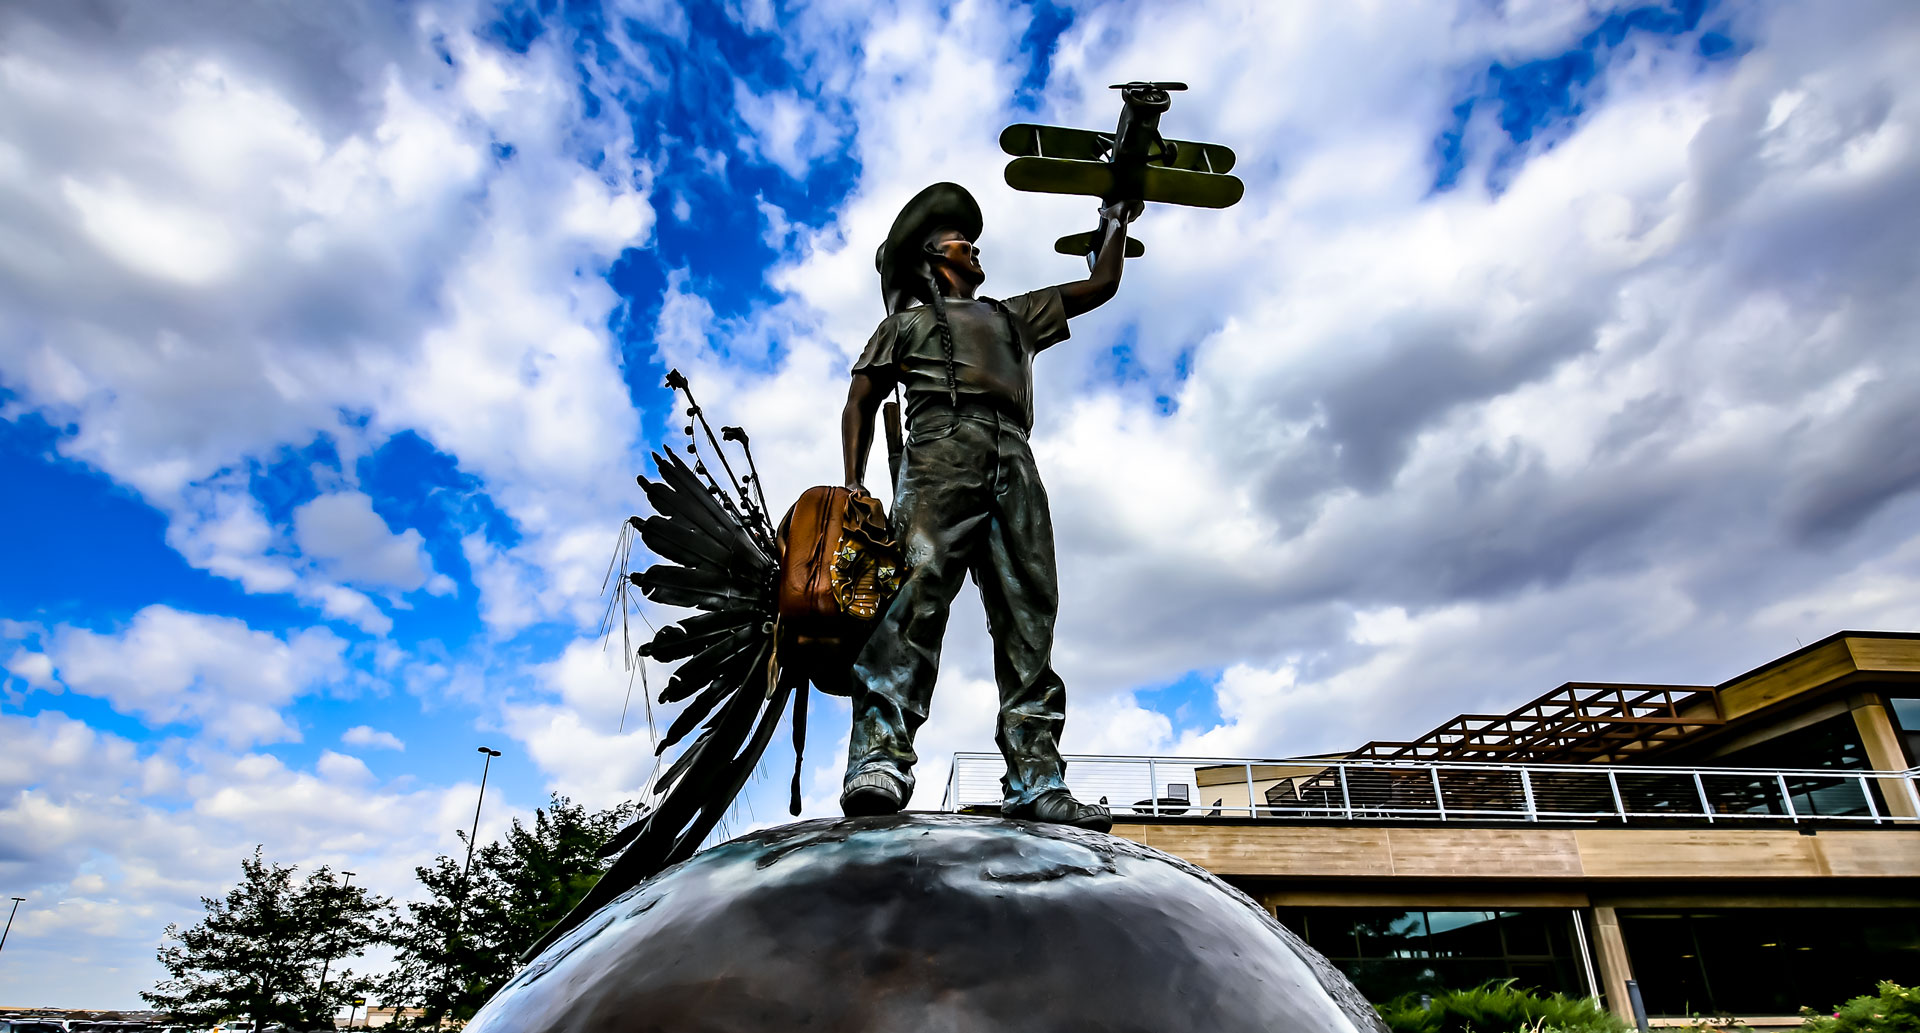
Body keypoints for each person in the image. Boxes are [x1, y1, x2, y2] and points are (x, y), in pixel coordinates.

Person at [838, 181, 1137, 831]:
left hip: (1014, 454)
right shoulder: (904, 325)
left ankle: (1036, 776)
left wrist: (1115, 215)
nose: (975, 250)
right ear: (929, 257)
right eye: (960, 243)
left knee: (1030, 613)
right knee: (912, 599)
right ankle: (879, 758)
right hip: (939, 447)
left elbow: (1103, 283)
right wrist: (854, 486)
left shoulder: (1014, 315)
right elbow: (860, 400)